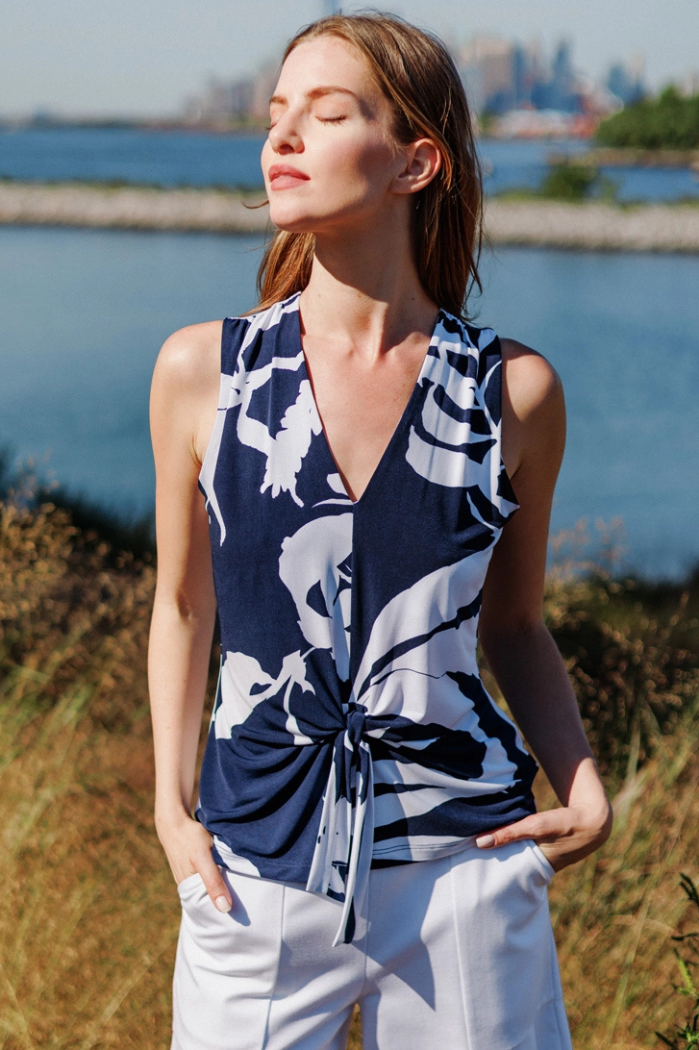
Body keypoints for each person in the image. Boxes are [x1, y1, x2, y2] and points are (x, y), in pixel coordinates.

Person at [148, 13, 613, 1050]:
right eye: (276, 114)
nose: (281, 138)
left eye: (325, 115)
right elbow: (182, 605)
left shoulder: (513, 394)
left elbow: (516, 625)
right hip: (253, 870)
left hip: (464, 870)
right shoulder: (203, 374)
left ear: (416, 161)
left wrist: (584, 785)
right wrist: (172, 815)